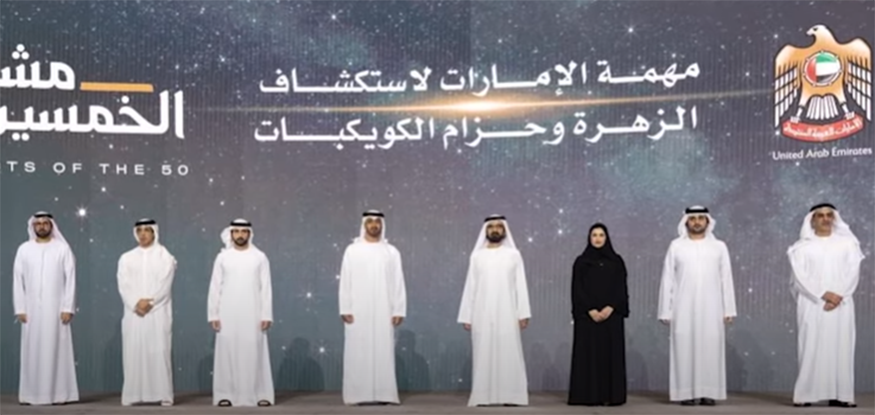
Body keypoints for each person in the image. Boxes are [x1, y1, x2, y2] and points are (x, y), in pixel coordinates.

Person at [657, 206, 736, 406]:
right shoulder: (676, 246)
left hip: (713, 308)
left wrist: (729, 308)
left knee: (711, 347)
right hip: (683, 307)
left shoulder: (719, 247)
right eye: (693, 218)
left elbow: (726, 278)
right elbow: (668, 279)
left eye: (701, 218)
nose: (697, 222)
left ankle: (709, 392)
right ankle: (685, 393)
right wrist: (665, 310)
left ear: (708, 222)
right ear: (686, 222)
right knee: (684, 348)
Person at [788, 203, 863, 408]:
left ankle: (842, 395)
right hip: (812, 303)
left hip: (842, 304)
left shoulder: (848, 244)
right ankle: (806, 395)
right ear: (812, 220)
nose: (825, 219)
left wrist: (838, 296)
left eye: (829, 215)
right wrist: (824, 294)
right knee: (811, 347)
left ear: (834, 218)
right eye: (820, 215)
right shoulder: (801, 247)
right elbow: (799, 277)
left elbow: (852, 272)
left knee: (841, 348)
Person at [457, 214, 531, 407]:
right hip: (482, 312)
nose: (495, 230)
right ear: (486, 230)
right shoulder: (477, 256)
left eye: (499, 226)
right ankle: (483, 396)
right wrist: (467, 315)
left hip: (508, 312)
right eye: (491, 227)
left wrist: (523, 313)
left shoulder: (513, 255)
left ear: (504, 230)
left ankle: (512, 396)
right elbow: (470, 286)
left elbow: (520, 285)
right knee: (483, 353)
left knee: (509, 352)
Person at [338, 210, 407, 405]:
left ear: (382, 225)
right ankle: (357, 395)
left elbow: (398, 282)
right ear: (364, 225)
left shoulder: (391, 252)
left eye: (377, 221)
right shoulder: (352, 250)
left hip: (384, 309)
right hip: (357, 310)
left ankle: (384, 394)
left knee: (383, 351)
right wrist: (345, 307)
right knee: (357, 351)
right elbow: (345, 279)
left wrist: (398, 309)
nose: (374, 225)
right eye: (370, 221)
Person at [12, 211, 79, 405]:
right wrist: (20, 308)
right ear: (33, 226)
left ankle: (59, 394)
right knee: (32, 351)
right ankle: (31, 395)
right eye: (38, 223)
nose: (41, 226)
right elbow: (18, 280)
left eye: (45, 223)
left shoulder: (62, 249)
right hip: (31, 310)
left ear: (51, 225)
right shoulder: (24, 249)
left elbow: (70, 279)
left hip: (57, 310)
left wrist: (68, 307)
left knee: (57, 350)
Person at [207, 219, 275, 407]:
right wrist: (213, 314)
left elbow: (266, 287)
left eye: (243, 232)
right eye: (236, 231)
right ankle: (225, 395)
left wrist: (266, 314)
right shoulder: (223, 257)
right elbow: (215, 287)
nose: (240, 235)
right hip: (227, 312)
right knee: (226, 352)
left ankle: (260, 394)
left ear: (249, 234)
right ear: (231, 234)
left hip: (253, 312)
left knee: (255, 351)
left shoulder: (260, 257)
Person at [117, 218, 177, 406]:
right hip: (134, 313)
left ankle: (163, 395)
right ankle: (132, 395)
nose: (143, 234)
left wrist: (150, 302)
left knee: (159, 352)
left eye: (147, 230)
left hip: (157, 312)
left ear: (154, 232)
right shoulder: (126, 257)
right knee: (133, 353)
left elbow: (165, 284)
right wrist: (136, 303)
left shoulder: (164, 256)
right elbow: (123, 284)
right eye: (140, 230)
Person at [568, 223, 629, 406]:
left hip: (612, 317)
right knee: (589, 355)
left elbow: (621, 287)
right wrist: (590, 309)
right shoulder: (581, 262)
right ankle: (588, 396)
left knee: (610, 355)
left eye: (601, 235)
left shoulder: (617, 261)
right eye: (594, 235)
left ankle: (610, 396)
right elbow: (577, 288)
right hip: (588, 318)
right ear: (589, 238)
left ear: (606, 238)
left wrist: (611, 307)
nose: (597, 238)